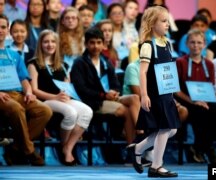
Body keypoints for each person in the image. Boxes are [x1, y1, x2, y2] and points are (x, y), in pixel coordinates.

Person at [127, 6, 180, 178]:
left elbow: (168, 70)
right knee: (165, 129)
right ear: (152, 23)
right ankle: (156, 166)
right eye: (163, 21)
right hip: (155, 94)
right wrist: (144, 95)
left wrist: (172, 93)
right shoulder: (148, 46)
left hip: (166, 93)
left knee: (172, 130)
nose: (167, 24)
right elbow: (142, 72)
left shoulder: (167, 43)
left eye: (167, 21)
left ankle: (138, 148)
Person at [27, 29, 93, 166]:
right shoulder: (33, 64)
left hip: (61, 99)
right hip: (45, 100)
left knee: (87, 111)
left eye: (52, 42)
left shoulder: (62, 65)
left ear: (57, 45)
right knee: (71, 113)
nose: (50, 45)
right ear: (40, 44)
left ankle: (67, 147)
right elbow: (34, 90)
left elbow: (67, 86)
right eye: (46, 42)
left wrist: (67, 94)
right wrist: (55, 97)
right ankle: (65, 149)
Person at [70, 27, 140, 144]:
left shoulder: (106, 61)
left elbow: (116, 84)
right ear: (86, 44)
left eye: (99, 43)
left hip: (110, 98)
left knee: (135, 98)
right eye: (92, 43)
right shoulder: (79, 63)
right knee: (127, 111)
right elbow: (81, 89)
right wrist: (103, 95)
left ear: (103, 44)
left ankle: (140, 130)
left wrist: (115, 92)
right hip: (93, 102)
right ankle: (135, 148)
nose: (96, 46)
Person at [0, 14, 52, 166]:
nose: (0, 30)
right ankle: (30, 151)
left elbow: (24, 79)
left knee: (45, 111)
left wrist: (29, 92)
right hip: (2, 97)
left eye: (3, 27)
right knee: (17, 109)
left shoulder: (14, 54)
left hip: (18, 93)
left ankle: (16, 148)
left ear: (7, 30)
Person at [175, 29, 216, 164]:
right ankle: (208, 150)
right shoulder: (180, 62)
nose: (196, 46)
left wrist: (204, 100)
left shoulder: (209, 64)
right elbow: (175, 90)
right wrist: (193, 101)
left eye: (199, 43)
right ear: (186, 44)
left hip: (205, 100)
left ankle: (198, 147)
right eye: (192, 42)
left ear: (204, 44)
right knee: (202, 113)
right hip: (186, 101)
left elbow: (210, 87)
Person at [58, 6, 84, 73]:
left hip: (81, 71)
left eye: (73, 18)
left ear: (78, 21)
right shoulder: (57, 38)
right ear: (62, 21)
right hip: (64, 71)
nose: (70, 20)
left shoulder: (83, 38)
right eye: (67, 18)